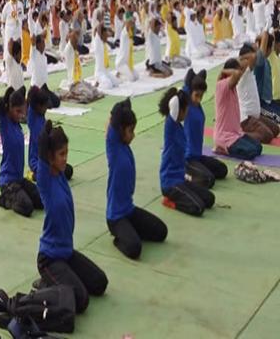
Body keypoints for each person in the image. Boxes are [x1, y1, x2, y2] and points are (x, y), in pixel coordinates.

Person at [36, 121, 108, 314]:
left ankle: (59, 279)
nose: (65, 159)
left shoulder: (60, 174)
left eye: (67, 153)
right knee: (81, 300)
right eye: (61, 154)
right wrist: (44, 141)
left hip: (66, 253)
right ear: (50, 157)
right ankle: (46, 283)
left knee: (100, 283)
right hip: (49, 258)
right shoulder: (46, 180)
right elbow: (41, 158)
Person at [106, 99, 167, 260]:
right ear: (120, 130)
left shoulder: (125, 147)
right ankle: (119, 238)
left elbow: (122, 110)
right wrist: (122, 108)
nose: (133, 135)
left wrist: (128, 106)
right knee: (134, 249)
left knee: (161, 232)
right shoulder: (113, 146)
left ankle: (130, 230)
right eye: (131, 131)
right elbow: (114, 113)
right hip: (116, 217)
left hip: (129, 210)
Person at [159, 88, 215, 216]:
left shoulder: (179, 126)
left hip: (181, 179)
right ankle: (169, 201)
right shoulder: (171, 125)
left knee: (209, 199)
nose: (188, 111)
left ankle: (185, 194)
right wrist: (178, 94)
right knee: (198, 208)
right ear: (179, 110)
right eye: (186, 108)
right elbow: (174, 103)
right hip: (170, 183)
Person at [0, 86, 42, 217]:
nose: (21, 115)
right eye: (17, 111)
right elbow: (0, 105)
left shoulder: (17, 124)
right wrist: (5, 103)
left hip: (19, 179)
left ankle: (19, 194)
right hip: (8, 181)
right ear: (9, 108)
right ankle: (5, 198)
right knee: (27, 207)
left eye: (23, 112)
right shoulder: (5, 123)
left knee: (41, 200)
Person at [183, 69, 227, 188]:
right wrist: (189, 81)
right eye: (196, 95)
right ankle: (183, 175)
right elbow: (185, 86)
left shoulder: (198, 107)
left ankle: (198, 172)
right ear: (190, 92)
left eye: (201, 96)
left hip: (197, 156)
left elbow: (202, 74)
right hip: (186, 159)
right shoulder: (186, 105)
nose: (199, 99)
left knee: (222, 170)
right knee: (208, 180)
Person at [214, 58, 264, 160]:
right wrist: (223, 71)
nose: (240, 76)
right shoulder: (222, 85)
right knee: (250, 153)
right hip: (225, 137)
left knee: (258, 147)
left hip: (236, 133)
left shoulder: (232, 86)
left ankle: (226, 148)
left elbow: (243, 65)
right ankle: (222, 148)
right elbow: (236, 74)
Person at [92, 26, 118, 90]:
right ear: (102, 35)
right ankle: (97, 84)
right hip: (99, 73)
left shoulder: (104, 44)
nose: (107, 37)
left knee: (116, 83)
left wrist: (109, 30)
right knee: (108, 86)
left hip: (106, 72)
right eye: (106, 35)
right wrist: (101, 22)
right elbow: (98, 29)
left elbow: (110, 34)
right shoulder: (98, 43)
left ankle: (98, 82)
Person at [115, 17, 139, 82]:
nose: (132, 24)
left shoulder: (129, 31)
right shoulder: (124, 32)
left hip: (127, 62)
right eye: (131, 23)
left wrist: (133, 21)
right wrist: (130, 20)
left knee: (137, 76)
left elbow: (130, 25)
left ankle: (120, 73)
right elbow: (127, 24)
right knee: (131, 79)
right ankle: (119, 74)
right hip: (121, 63)